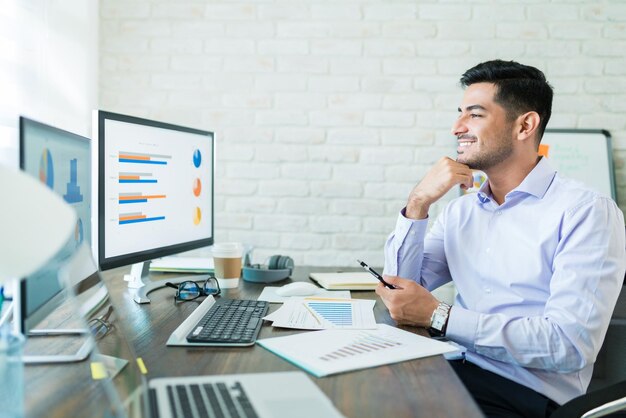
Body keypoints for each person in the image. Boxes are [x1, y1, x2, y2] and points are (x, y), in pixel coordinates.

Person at [377, 59, 626, 418]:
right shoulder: (460, 212)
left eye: (474, 115)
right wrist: (418, 203)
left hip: (524, 394)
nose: (456, 127)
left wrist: (442, 317)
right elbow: (399, 293)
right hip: (452, 367)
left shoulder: (586, 211)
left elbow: (569, 345)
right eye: (459, 113)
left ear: (525, 125)